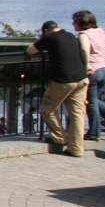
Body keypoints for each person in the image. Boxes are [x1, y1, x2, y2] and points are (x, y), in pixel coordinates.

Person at [26, 20, 88, 157]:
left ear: (46, 31)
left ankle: (60, 138)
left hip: (63, 81)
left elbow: (30, 50)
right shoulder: (71, 35)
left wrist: (41, 41)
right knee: (77, 114)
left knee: (47, 109)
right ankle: (76, 148)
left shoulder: (49, 38)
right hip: (82, 79)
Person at [73, 10, 105, 140]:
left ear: (81, 23)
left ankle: (94, 132)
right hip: (104, 69)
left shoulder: (83, 35)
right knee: (94, 100)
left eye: (74, 22)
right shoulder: (100, 31)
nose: (73, 24)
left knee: (91, 102)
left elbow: (84, 49)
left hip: (93, 71)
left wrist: (86, 66)